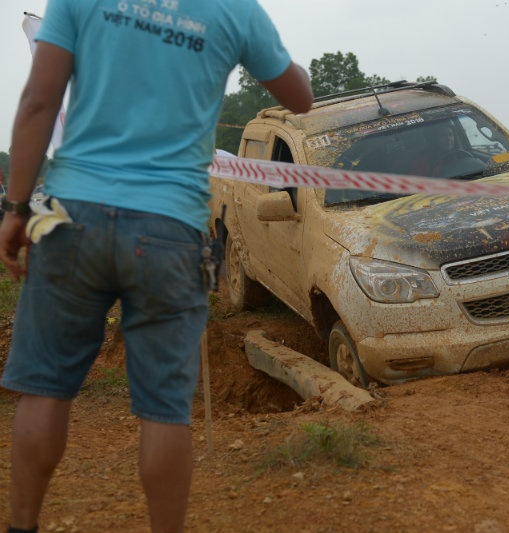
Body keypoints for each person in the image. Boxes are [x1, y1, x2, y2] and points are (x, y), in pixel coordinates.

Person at [0, 1, 313, 531]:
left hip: (71, 215)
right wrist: (271, 55)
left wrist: (15, 208)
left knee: (45, 388)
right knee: (165, 408)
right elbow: (299, 97)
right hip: (170, 229)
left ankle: (21, 526)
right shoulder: (234, 9)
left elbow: (37, 101)